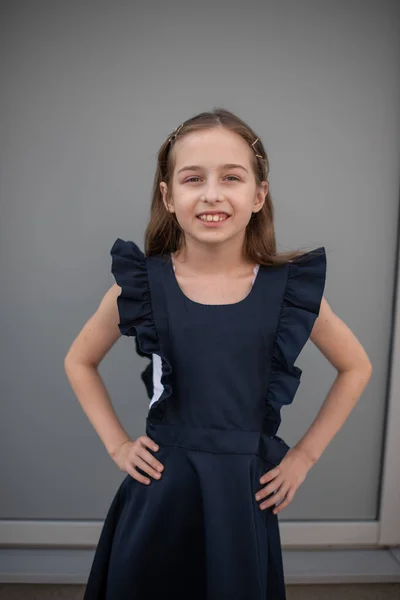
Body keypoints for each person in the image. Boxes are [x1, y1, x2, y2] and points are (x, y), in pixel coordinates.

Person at [64, 108, 373, 600]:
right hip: (162, 491)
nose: (212, 193)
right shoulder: (144, 284)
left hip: (241, 495)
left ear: (259, 194)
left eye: (231, 177)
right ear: (168, 195)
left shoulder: (286, 291)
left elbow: (356, 366)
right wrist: (119, 446)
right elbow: (78, 360)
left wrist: (305, 456)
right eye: (193, 178)